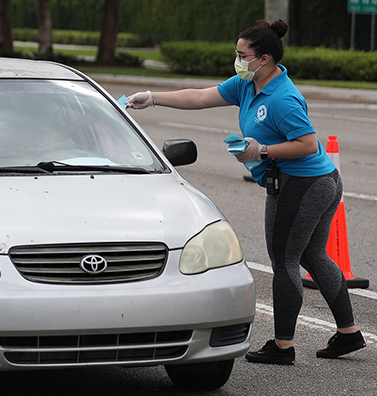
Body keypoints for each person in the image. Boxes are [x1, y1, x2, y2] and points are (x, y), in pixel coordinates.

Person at [126, 19, 366, 365]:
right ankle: (349, 334)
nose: (237, 60)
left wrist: (261, 151)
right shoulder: (247, 84)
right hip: (312, 183)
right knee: (312, 255)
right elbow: (199, 96)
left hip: (304, 185)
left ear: (264, 59)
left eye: (243, 55)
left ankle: (283, 346)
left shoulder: (283, 97)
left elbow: (309, 144)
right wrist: (152, 99)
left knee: (284, 262)